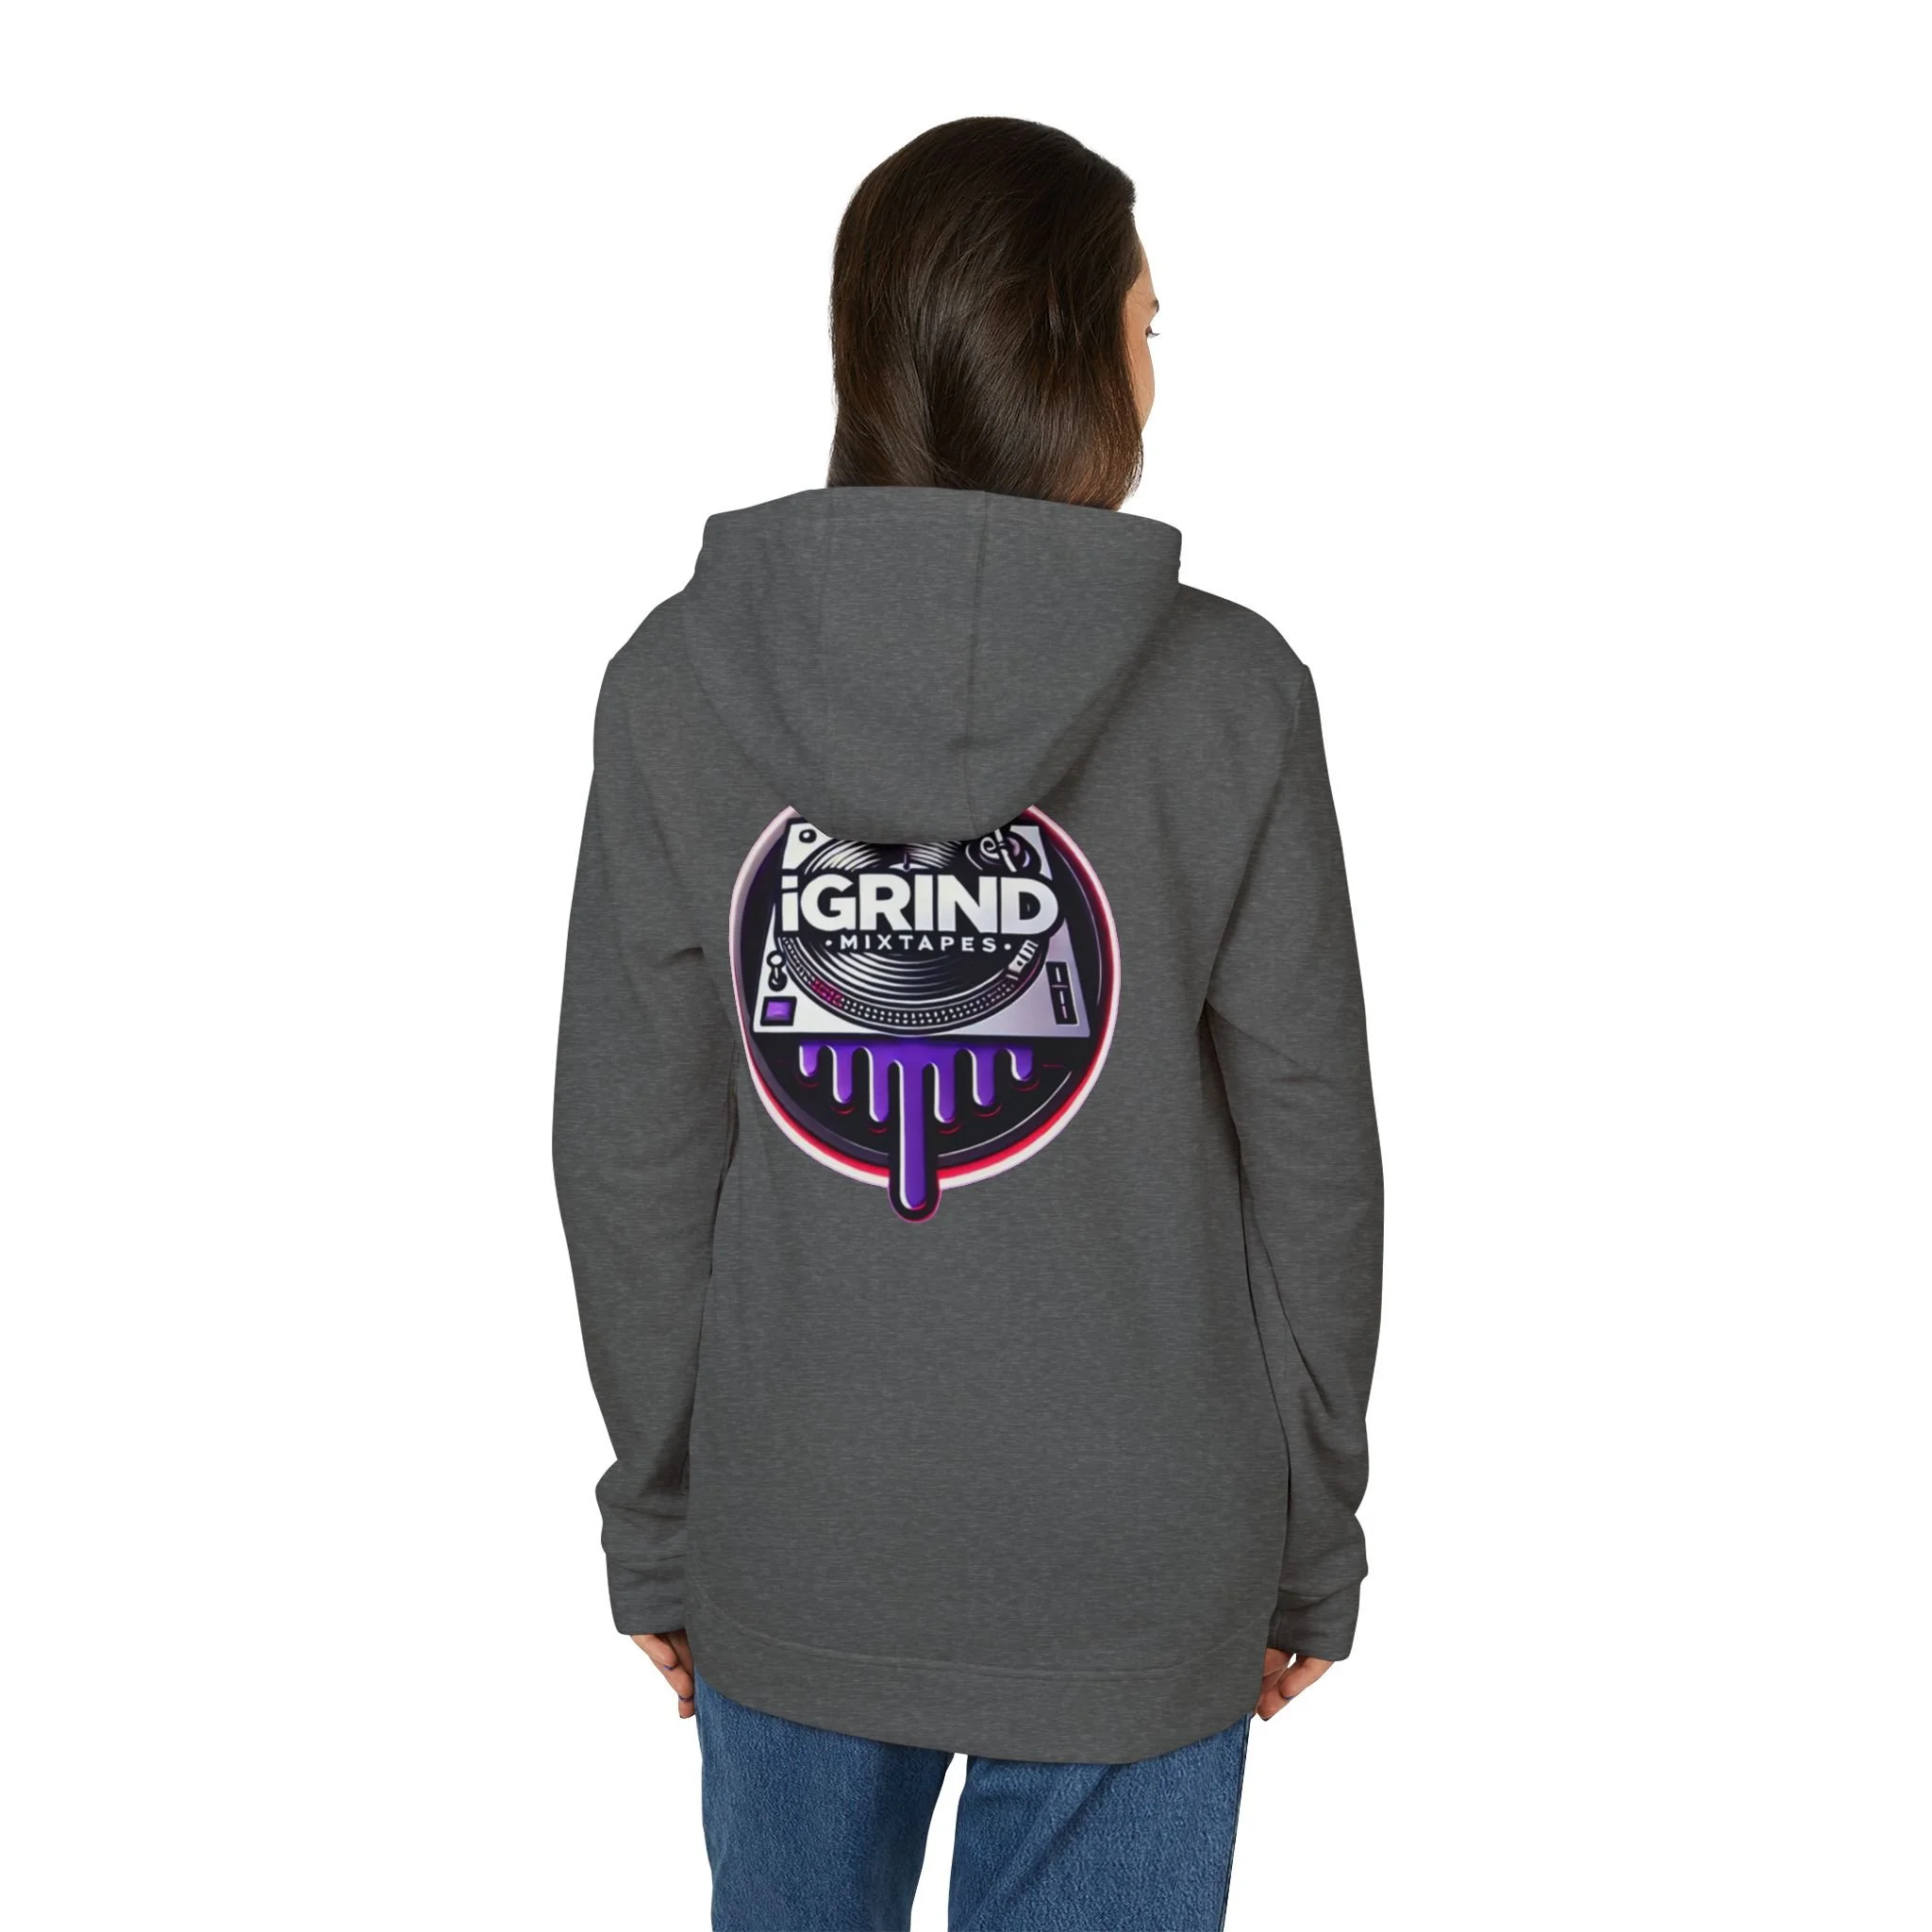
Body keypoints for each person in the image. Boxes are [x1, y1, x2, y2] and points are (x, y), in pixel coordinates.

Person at [553, 116, 1383, 1932]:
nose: (1158, 366)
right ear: (1074, 352)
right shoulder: (1229, 693)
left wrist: (664, 1523)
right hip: (1144, 1559)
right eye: (1149, 325)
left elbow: (631, 1152)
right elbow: (1311, 1151)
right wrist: (1308, 1538)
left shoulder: (679, 680)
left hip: (798, 1531)